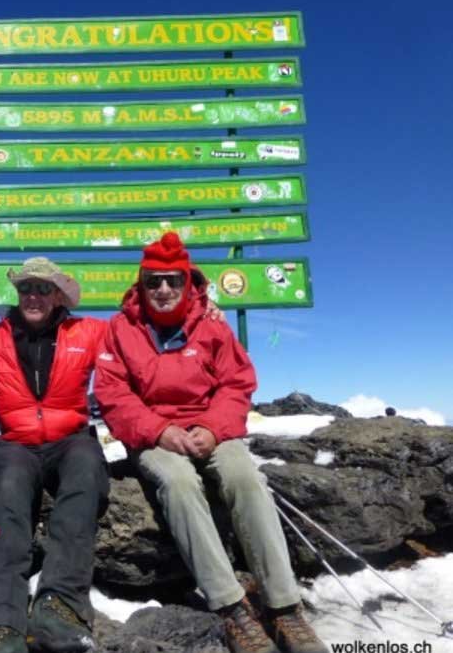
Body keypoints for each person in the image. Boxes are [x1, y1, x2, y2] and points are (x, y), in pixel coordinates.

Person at [94, 232, 328, 653]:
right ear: (141, 284)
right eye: (153, 281)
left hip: (210, 429)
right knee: (179, 484)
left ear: (188, 283)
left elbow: (237, 383)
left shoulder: (211, 324)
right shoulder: (119, 329)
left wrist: (215, 428)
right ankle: (231, 606)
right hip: (154, 434)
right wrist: (159, 431)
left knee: (246, 478)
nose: (163, 289)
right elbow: (113, 393)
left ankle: (284, 607)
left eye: (173, 280)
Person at [0, 257, 110, 653]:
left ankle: (58, 605)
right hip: (17, 443)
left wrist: (206, 310)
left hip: (71, 438)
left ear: (58, 295)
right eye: (26, 287)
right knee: (7, 493)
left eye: (44, 288)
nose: (33, 295)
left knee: (85, 473)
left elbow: (140, 336)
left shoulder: (91, 331)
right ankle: (0, 621)